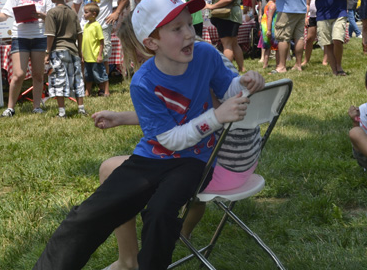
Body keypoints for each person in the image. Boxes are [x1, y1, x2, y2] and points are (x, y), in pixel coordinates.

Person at [33, 0, 264, 270]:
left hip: (196, 160)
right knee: (90, 213)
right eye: (177, 29)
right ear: (151, 42)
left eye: (189, 24)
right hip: (153, 157)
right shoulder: (143, 82)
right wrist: (216, 118)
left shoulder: (205, 54)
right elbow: (168, 138)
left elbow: (228, 90)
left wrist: (246, 83)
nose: (189, 34)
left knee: (161, 213)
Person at [92, 30, 263, 270]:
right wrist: (122, 117)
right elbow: (185, 113)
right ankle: (184, 232)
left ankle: (128, 261)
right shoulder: (201, 51)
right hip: (243, 164)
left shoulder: (191, 61)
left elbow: (192, 119)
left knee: (110, 169)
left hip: (216, 166)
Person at [72, 0, 131, 97]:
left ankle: (103, 89)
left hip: (103, 26)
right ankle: (86, 89)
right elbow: (75, 7)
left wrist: (116, 13)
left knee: (102, 57)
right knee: (84, 58)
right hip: (85, 28)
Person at [307, 0, 353, 76]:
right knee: (327, 44)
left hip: (339, 13)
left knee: (337, 40)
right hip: (322, 15)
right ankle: (334, 70)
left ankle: (339, 66)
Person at [43, 0, 85, 118]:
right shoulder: (72, 12)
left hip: (58, 50)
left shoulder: (52, 12)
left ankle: (62, 112)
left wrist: (47, 52)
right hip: (73, 49)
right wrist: (80, 51)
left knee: (58, 80)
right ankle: (81, 108)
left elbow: (51, 35)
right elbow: (80, 33)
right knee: (77, 79)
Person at [204, 0, 245, 72]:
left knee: (227, 45)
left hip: (227, 16)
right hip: (231, 16)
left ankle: (227, 70)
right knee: (234, 43)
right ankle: (241, 68)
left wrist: (212, 6)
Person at [81, 2, 107, 97]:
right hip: (87, 56)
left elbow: (101, 41)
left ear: (93, 14)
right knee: (88, 76)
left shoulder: (97, 25)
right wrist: (83, 54)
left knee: (100, 74)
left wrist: (100, 55)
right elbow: (84, 41)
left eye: (86, 12)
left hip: (95, 56)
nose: (84, 14)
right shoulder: (86, 25)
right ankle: (87, 91)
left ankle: (104, 90)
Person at [259, 0, 278, 69]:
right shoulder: (273, 5)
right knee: (277, 48)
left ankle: (265, 64)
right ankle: (279, 64)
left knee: (267, 48)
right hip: (271, 28)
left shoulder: (267, 4)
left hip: (265, 28)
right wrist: (269, 30)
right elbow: (270, 17)